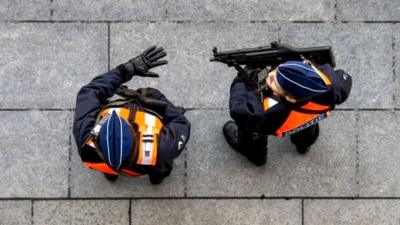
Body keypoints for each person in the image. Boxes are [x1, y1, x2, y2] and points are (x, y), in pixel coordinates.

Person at [73, 46, 190, 184]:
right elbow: (181, 122)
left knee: (105, 165)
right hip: (153, 162)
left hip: (103, 161)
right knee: (162, 166)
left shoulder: (85, 141)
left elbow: (89, 92)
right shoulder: (162, 147)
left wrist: (124, 71)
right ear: (134, 135)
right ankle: (157, 179)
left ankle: (110, 175)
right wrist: (161, 103)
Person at [223, 60, 352, 166]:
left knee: (252, 134)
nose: (270, 75)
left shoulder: (266, 112)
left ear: (290, 98)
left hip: (281, 122)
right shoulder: (331, 85)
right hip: (309, 115)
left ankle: (257, 157)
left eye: (273, 82)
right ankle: (303, 145)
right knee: (307, 127)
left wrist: (240, 81)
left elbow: (240, 110)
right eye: (277, 70)